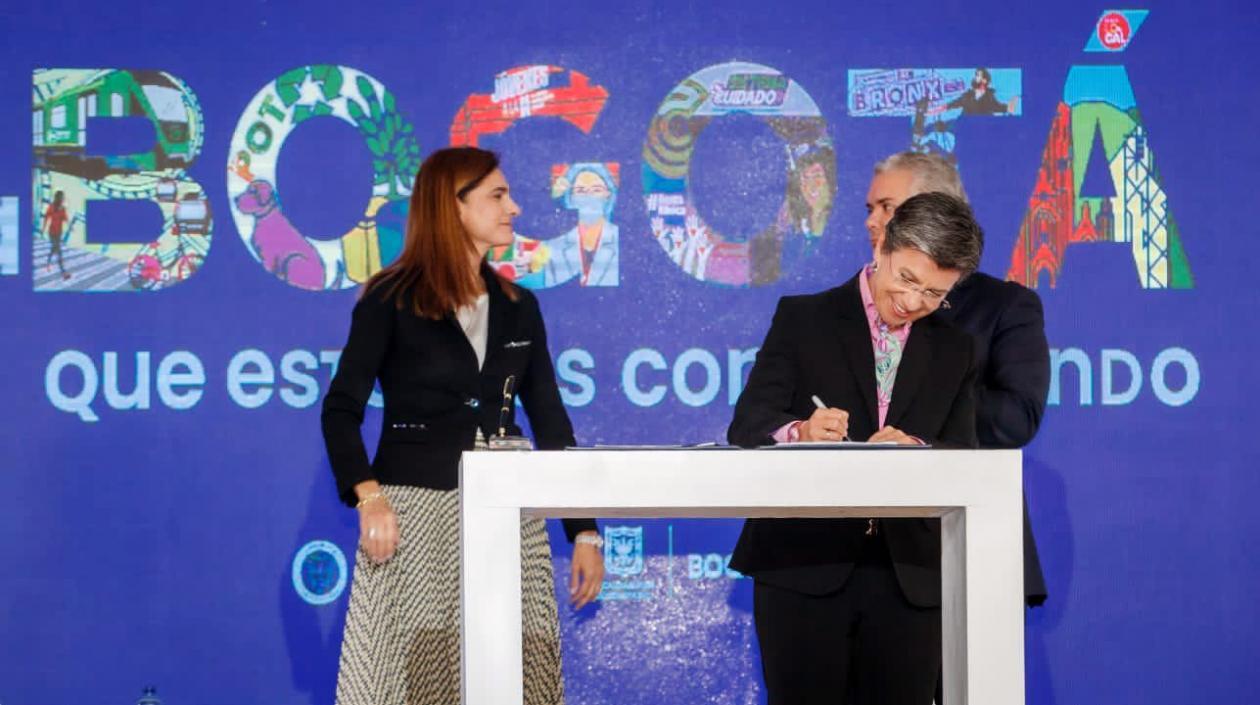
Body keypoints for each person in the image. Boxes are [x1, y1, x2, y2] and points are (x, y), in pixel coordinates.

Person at [321, 146, 605, 705]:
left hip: (508, 513)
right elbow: (340, 410)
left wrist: (584, 531)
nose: (514, 207)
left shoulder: (520, 305)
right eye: (498, 195)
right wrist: (370, 498)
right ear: (454, 206)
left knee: (515, 673)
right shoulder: (390, 299)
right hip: (415, 516)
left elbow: (550, 420)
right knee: (418, 679)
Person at [729, 192, 984, 705]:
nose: (913, 302)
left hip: (909, 578)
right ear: (883, 244)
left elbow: (963, 450)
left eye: (934, 294)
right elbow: (749, 423)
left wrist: (916, 446)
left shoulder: (955, 348)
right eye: (907, 279)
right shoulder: (805, 319)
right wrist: (801, 432)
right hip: (803, 567)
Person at [863, 151, 1050, 608]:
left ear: (934, 209)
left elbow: (1017, 419)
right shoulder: (850, 306)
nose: (872, 221)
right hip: (861, 554)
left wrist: (919, 401)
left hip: (964, 541)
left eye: (887, 207)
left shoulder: (1002, 306)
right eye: (870, 208)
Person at [42, 190, 71, 280]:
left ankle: (47, 263)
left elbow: (66, 219)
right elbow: (46, 218)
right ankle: (64, 273)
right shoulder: (51, 207)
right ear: (58, 198)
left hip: (59, 233)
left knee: (54, 249)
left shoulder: (63, 208)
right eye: (62, 197)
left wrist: (70, 226)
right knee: (59, 252)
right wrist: (43, 229)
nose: (63, 198)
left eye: (63, 197)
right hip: (52, 233)